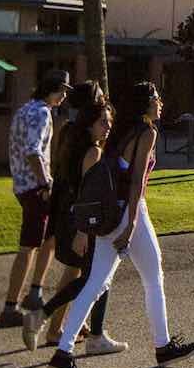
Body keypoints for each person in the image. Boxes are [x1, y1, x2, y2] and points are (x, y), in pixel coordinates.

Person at [47, 82, 194, 368]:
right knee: (153, 277)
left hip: (108, 212)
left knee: (95, 283)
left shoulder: (122, 132)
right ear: (145, 104)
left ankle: (63, 353)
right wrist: (129, 227)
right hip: (130, 212)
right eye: (156, 98)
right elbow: (137, 181)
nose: (160, 102)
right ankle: (162, 345)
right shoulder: (147, 132)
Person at [30, 92, 126, 354]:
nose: (108, 126)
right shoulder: (93, 152)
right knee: (95, 278)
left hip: (71, 220)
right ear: (89, 124)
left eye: (109, 121)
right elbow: (88, 195)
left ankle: (65, 327)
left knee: (84, 276)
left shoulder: (77, 145)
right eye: (103, 122)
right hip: (83, 224)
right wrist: (83, 232)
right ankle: (49, 319)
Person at [2, 71, 69, 330]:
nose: (63, 96)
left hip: (21, 184)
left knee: (49, 237)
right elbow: (33, 150)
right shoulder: (42, 112)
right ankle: (11, 306)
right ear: (49, 88)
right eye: (60, 90)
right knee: (29, 245)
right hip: (35, 187)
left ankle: (35, 291)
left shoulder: (24, 110)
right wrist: (45, 183)